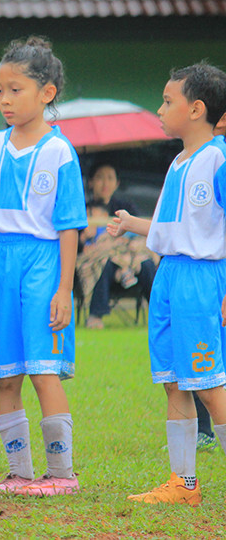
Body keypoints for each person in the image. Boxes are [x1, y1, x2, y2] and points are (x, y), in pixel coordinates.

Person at [109, 62, 226, 506]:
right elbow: (175, 226)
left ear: (197, 109)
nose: (159, 109)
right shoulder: (179, 161)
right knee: (174, 381)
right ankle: (184, 484)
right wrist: (133, 223)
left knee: (210, 386)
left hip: (201, 281)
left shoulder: (219, 159)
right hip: (170, 276)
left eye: (167, 101)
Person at [0, 37, 86, 496]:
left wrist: (63, 289)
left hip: (42, 264)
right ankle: (19, 472)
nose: (5, 99)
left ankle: (61, 475)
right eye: (0, 90)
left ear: (47, 92)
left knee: (43, 370)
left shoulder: (60, 153)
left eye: (16, 89)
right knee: (4, 374)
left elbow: (68, 228)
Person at [78, 164, 157, 329]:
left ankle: (159, 313)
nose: (105, 182)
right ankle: (95, 316)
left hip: (128, 257)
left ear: (117, 183)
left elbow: (138, 236)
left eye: (110, 178)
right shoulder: (83, 210)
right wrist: (85, 237)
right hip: (99, 259)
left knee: (146, 264)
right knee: (105, 262)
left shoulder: (126, 208)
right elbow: (76, 246)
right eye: (100, 177)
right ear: (91, 182)